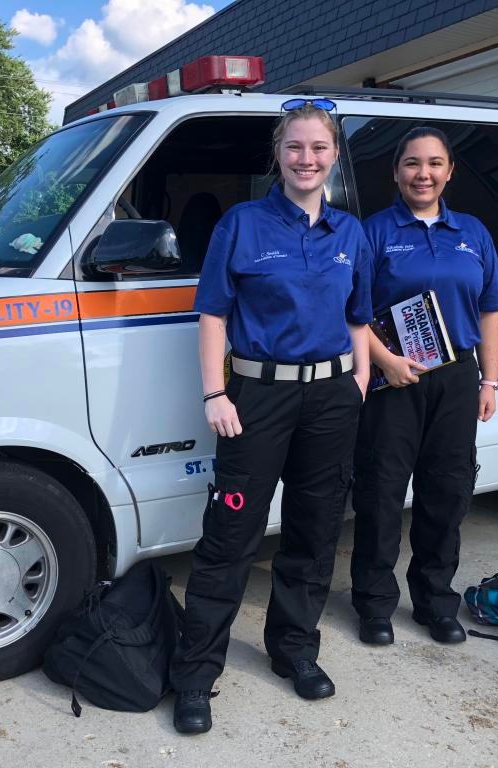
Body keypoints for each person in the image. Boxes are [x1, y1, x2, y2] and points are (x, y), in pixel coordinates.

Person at [170, 100, 372, 735]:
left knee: (314, 536)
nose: (306, 159)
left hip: (332, 399)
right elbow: (213, 316)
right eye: (294, 148)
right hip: (256, 398)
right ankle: (196, 675)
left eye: (318, 148)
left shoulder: (350, 234)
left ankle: (295, 651)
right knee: (229, 539)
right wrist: (214, 393)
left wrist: (360, 379)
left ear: (334, 154)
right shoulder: (243, 224)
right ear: (277, 155)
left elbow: (358, 316)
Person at [350, 126, 498, 647]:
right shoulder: (374, 232)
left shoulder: (473, 233)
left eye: (435, 163)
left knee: (446, 493)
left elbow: (489, 311)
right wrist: (385, 362)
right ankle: (374, 605)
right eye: (413, 164)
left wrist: (489, 378)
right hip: (394, 379)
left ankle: (435, 603)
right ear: (396, 172)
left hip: (457, 379)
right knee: (381, 494)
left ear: (449, 172)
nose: (424, 173)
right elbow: (352, 313)